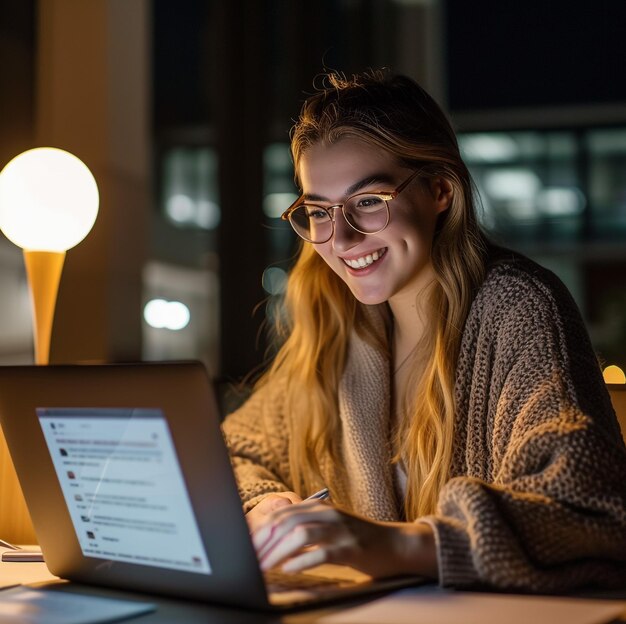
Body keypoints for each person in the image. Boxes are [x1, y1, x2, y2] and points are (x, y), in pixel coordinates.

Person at [222, 70, 626, 592]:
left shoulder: (518, 308)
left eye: (368, 201)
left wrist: (399, 546)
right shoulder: (339, 327)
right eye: (318, 211)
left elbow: (588, 507)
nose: (340, 238)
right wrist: (265, 503)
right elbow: (235, 450)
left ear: (439, 189)